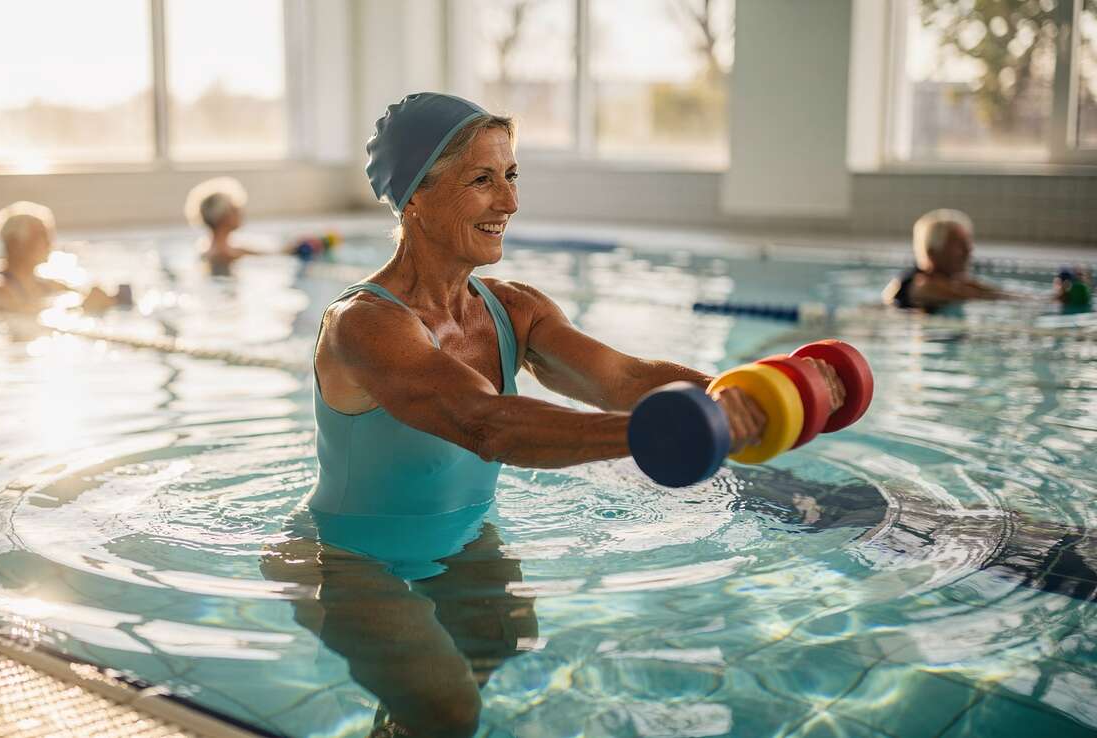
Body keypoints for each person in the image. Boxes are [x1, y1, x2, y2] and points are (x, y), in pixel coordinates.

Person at [263, 92, 847, 737]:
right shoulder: (365, 324)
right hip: (346, 553)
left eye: (511, 175)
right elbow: (485, 423)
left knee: (507, 640)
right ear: (414, 196)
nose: (509, 202)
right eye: (482, 180)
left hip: (462, 537)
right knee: (448, 710)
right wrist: (668, 431)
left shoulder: (512, 308)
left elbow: (625, 379)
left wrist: (766, 392)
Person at [0, 201, 127, 314]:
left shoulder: (47, 285)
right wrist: (81, 308)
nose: (50, 244)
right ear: (16, 244)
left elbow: (81, 294)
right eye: (42, 236)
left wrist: (104, 298)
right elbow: (20, 313)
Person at [881, 209, 1009, 312]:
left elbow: (994, 293)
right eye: (959, 245)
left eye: (967, 244)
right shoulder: (923, 285)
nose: (968, 250)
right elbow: (977, 297)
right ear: (932, 252)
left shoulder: (950, 280)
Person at [184, 177, 267, 277]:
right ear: (223, 216)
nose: (241, 213)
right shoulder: (222, 255)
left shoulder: (207, 249)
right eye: (235, 210)